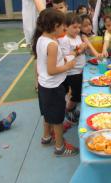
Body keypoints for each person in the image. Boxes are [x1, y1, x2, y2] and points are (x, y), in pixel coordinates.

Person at [32, 8, 78, 156]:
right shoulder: (52, 45)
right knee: (57, 119)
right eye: (62, 25)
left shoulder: (42, 39)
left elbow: (44, 62)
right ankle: (60, 147)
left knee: (47, 113)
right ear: (54, 26)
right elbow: (52, 70)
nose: (64, 28)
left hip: (44, 85)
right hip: (53, 87)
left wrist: (65, 58)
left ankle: (46, 137)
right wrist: (68, 66)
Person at [57, 13, 87, 124]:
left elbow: (80, 51)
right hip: (72, 72)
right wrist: (80, 50)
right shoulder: (65, 40)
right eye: (74, 27)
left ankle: (72, 109)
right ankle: (68, 110)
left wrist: (83, 48)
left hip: (80, 69)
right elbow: (67, 57)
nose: (77, 30)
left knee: (78, 92)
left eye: (79, 27)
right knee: (76, 95)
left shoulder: (78, 37)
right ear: (66, 26)